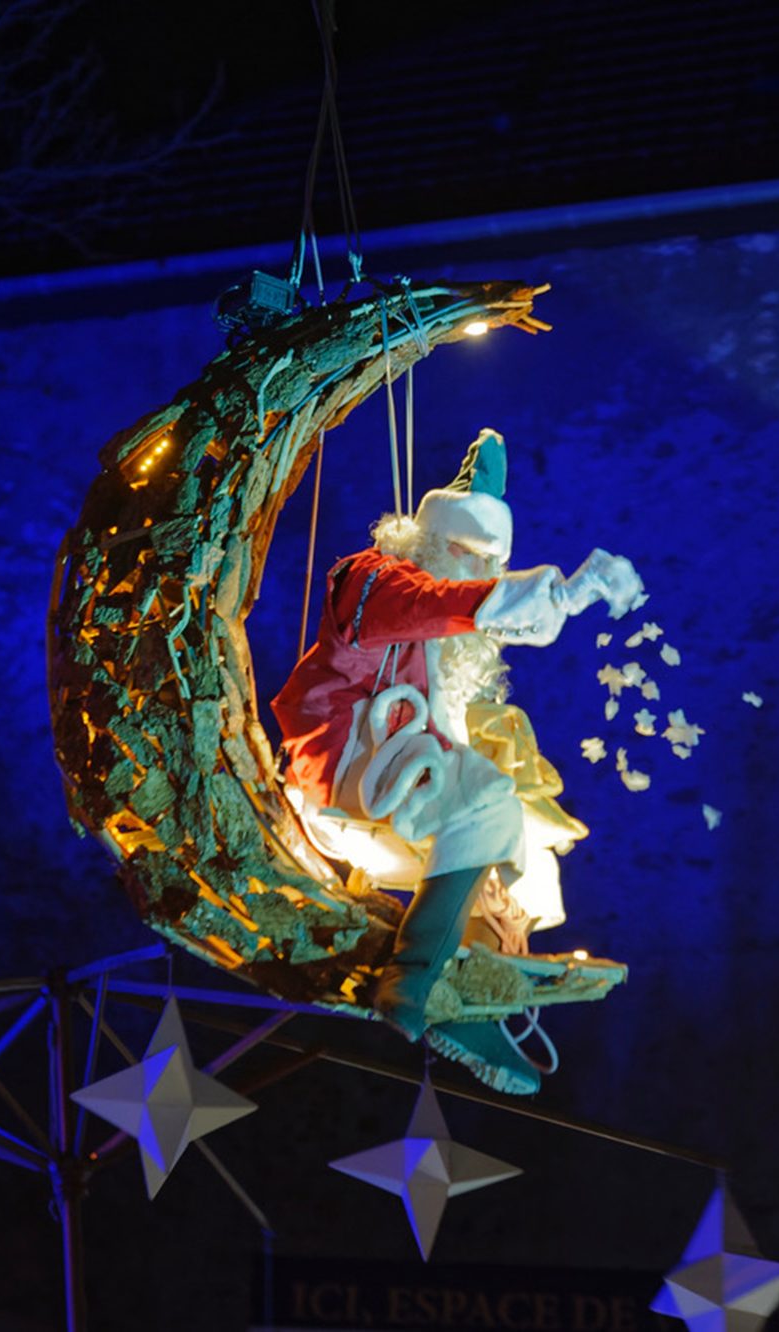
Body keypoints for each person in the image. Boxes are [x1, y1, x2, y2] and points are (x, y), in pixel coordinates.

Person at [271, 429, 642, 1092]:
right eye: (465, 551)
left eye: (490, 559)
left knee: (526, 851)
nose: (477, 568)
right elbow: (440, 604)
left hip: (404, 775)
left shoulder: (450, 641)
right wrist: (560, 593)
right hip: (345, 766)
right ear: (426, 538)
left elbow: (466, 634)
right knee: (487, 802)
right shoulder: (374, 580)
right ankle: (415, 978)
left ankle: (471, 998)